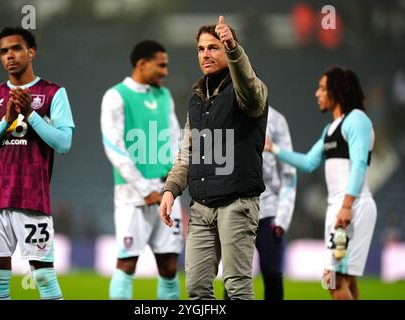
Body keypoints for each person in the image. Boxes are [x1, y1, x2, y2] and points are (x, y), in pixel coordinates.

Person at [159, 16, 268, 300]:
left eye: (213, 47)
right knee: (196, 289)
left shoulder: (248, 90)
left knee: (237, 288)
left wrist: (233, 49)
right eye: (201, 48)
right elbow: (186, 152)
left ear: (228, 50)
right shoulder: (196, 99)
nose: (206, 54)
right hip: (201, 208)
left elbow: (253, 97)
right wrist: (171, 189)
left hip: (236, 203)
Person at [0, 26, 75, 300]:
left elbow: (63, 143)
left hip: (32, 200)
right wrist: (6, 120)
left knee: (43, 275)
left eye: (16, 48)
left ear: (31, 52)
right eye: (3, 51)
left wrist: (30, 113)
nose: (9, 56)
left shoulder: (53, 93)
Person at [265, 67, 376, 300]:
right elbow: (307, 162)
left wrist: (347, 205)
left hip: (350, 208)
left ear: (338, 91)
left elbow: (358, 163)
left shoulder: (356, 120)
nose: (317, 93)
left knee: (333, 279)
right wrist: (273, 148)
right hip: (338, 208)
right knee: (343, 279)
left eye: (323, 88)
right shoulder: (330, 130)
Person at [100, 40, 183, 300]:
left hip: (167, 192)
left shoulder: (164, 96)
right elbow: (114, 147)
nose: (165, 72)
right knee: (127, 264)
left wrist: (174, 182)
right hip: (132, 194)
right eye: (161, 65)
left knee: (169, 267)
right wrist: (145, 188)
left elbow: (175, 140)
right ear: (142, 64)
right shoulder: (116, 96)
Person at [223, 105, 297, 300]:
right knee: (233, 277)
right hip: (235, 210)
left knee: (272, 274)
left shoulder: (276, 119)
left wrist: (283, 217)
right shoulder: (225, 114)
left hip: (268, 210)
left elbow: (289, 172)